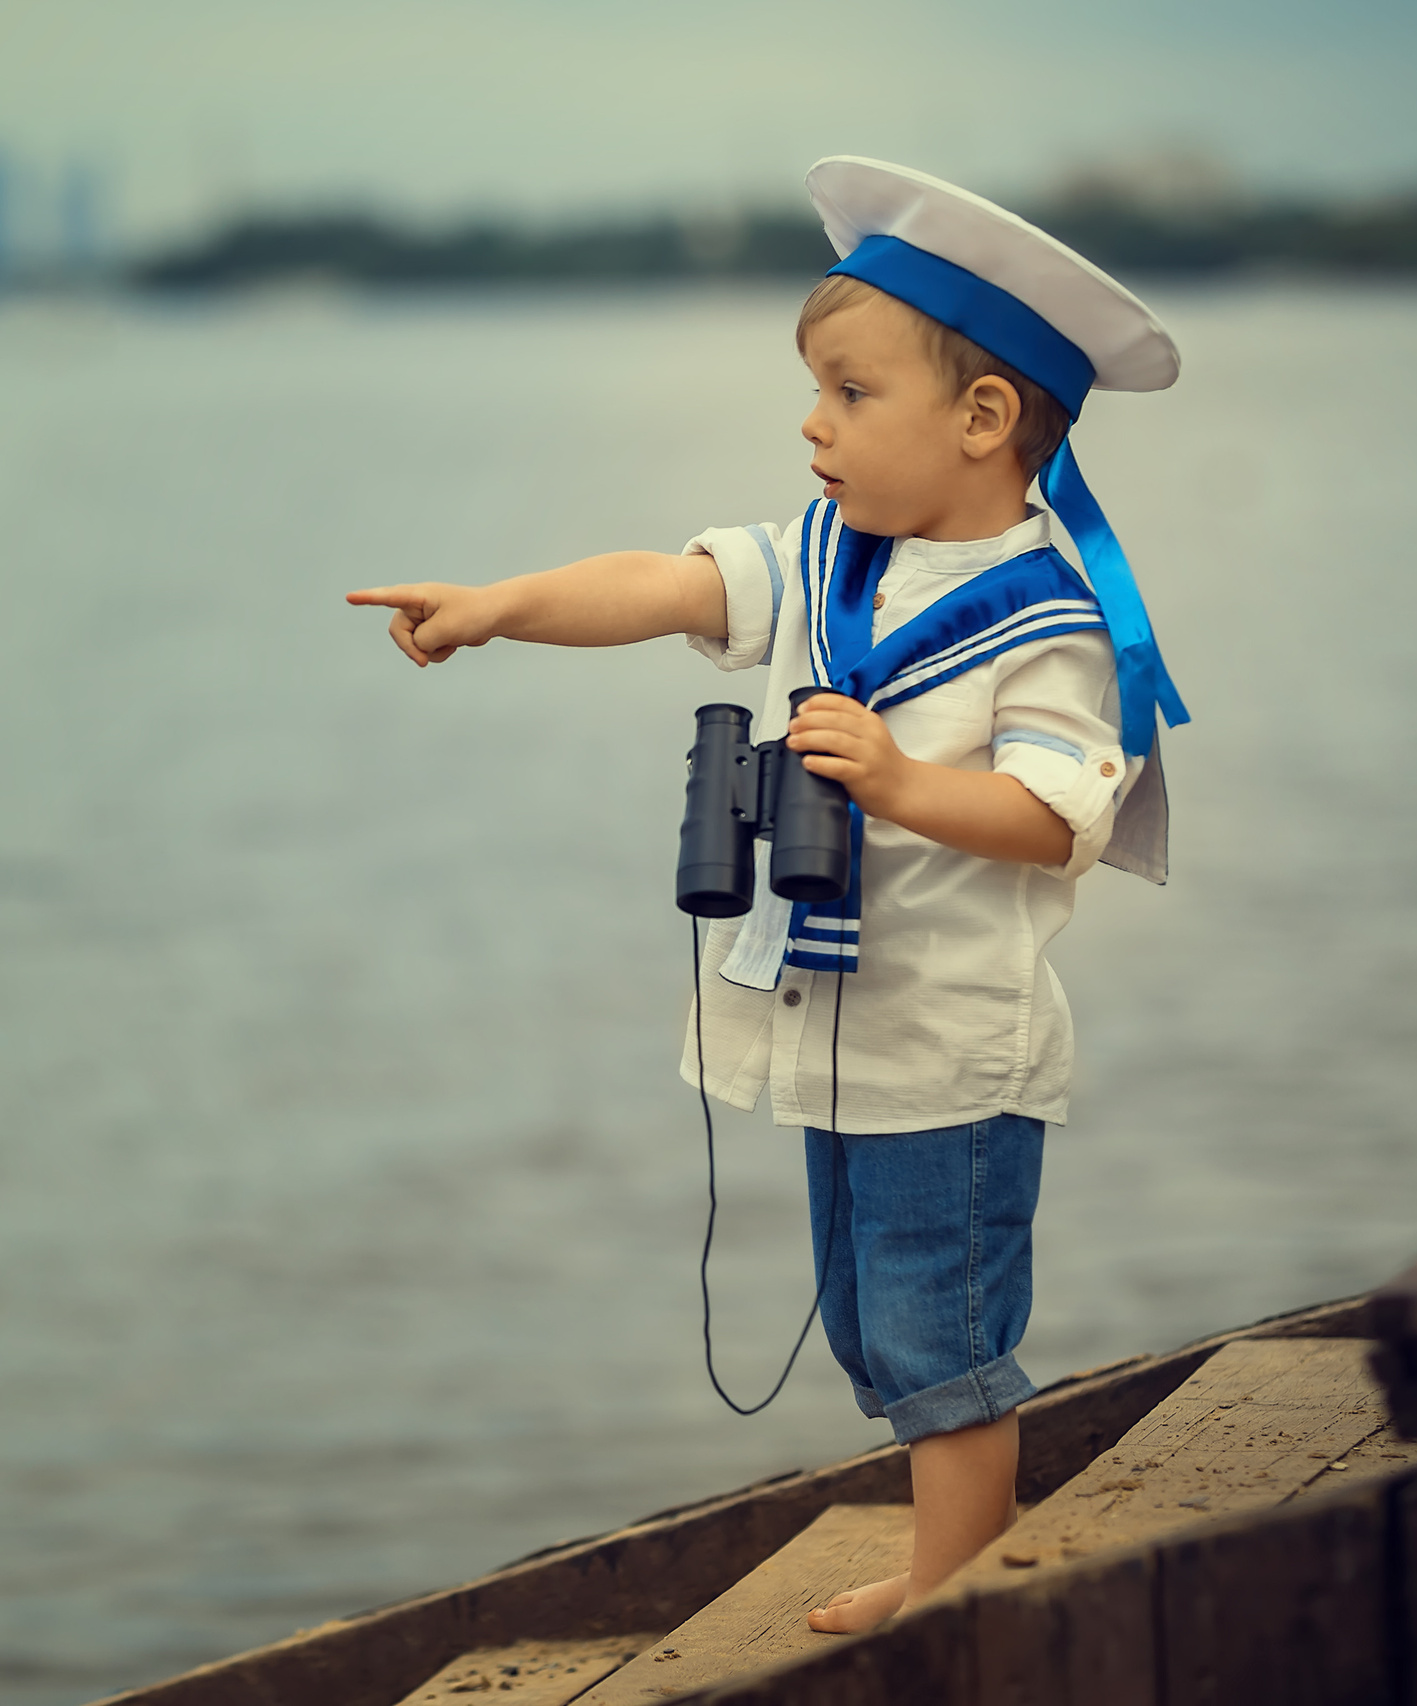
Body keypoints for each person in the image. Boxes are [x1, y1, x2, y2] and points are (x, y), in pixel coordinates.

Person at [344, 158, 1188, 1633]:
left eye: (852, 394)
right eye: (817, 392)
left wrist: (902, 781)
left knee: (947, 1336)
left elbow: (1058, 817)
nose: (813, 423)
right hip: (842, 1037)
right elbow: (664, 586)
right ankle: (947, 1569)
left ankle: (959, 1595)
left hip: (950, 1051)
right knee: (873, 1324)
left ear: (982, 420)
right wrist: (499, 608)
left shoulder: (1048, 620)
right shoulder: (823, 556)